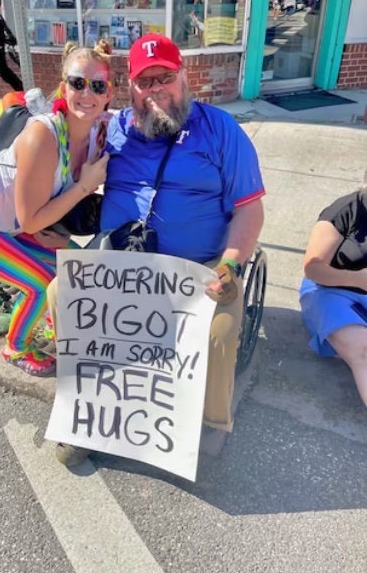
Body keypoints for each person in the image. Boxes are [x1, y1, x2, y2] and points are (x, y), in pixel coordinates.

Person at [47, 33, 265, 467]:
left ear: (184, 78)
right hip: (121, 268)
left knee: (219, 329)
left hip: (197, 269)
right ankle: (90, 415)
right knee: (61, 292)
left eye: (164, 77)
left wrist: (230, 264)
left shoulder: (221, 129)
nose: (156, 90)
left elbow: (250, 209)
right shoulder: (115, 129)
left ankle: (210, 420)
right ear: (132, 89)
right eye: (145, 82)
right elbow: (65, 151)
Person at [0, 40, 113, 377]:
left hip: (11, 223)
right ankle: (15, 346)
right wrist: (86, 186)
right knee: (42, 280)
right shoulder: (42, 136)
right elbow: (32, 217)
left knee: (76, 265)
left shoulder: (99, 132)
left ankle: (52, 323)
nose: (87, 93)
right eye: (78, 83)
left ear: (108, 94)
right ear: (63, 87)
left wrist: (55, 233)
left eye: (97, 85)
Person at [300, 187, 367, 406]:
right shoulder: (346, 210)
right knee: (363, 350)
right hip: (330, 290)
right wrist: (359, 279)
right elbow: (313, 269)